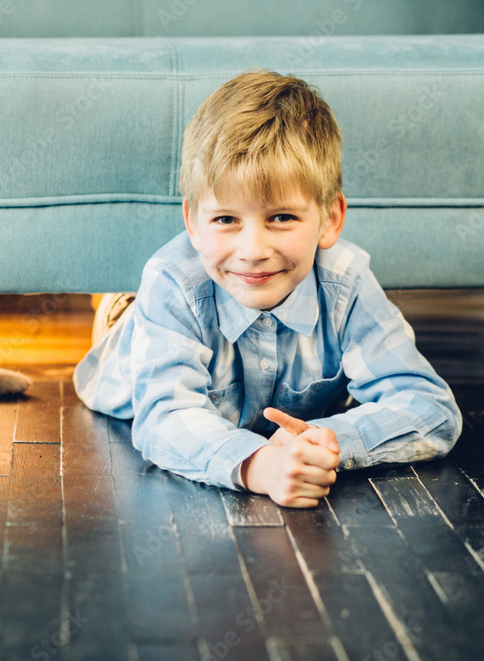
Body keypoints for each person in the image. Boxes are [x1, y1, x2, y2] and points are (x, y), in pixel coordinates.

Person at [74, 70, 461, 508]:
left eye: (281, 218)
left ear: (331, 219)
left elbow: (429, 405)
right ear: (193, 224)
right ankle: (122, 310)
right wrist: (261, 464)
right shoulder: (173, 281)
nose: (253, 251)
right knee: (134, 330)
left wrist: (327, 442)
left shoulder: (346, 281)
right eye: (225, 219)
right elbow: (167, 417)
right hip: (128, 363)